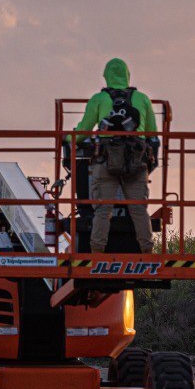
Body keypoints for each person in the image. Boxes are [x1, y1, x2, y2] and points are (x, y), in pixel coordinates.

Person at [73, 58, 159, 253]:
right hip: (136, 163)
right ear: (127, 75)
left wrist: (67, 139)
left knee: (103, 210)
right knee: (138, 210)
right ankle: (148, 254)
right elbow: (153, 134)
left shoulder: (99, 99)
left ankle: (96, 255)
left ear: (107, 76)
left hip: (106, 161)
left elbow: (82, 132)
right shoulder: (142, 99)